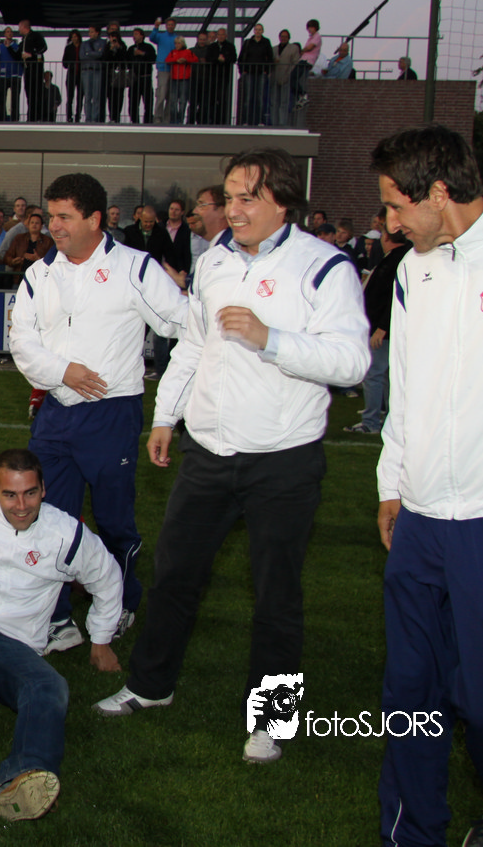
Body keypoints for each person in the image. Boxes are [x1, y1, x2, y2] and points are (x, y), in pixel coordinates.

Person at [94, 148, 368, 767]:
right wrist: (166, 416)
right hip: (209, 453)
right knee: (175, 576)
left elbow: (353, 363)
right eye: (230, 196)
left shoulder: (325, 267)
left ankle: (273, 720)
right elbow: (193, 345)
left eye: (249, 198)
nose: (234, 209)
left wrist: (272, 340)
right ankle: (151, 685)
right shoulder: (214, 258)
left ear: (283, 201)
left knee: (276, 595)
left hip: (284, 459)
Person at [371, 126, 483, 847]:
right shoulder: (413, 270)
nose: (389, 224)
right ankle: (411, 831)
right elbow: (406, 385)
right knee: (409, 692)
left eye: (395, 206)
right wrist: (392, 483)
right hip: (420, 517)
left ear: (439, 193)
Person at [11, 172, 187, 648]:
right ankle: (58, 617)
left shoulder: (135, 267)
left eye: (64, 217)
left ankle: (121, 602)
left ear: (94, 219)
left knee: (113, 522)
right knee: (49, 516)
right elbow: (21, 341)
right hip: (55, 411)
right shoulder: (39, 273)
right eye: (51, 216)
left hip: (112, 414)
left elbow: (181, 323)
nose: (54, 226)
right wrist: (62, 371)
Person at [0, 448, 122, 820]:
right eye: (10, 494)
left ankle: (26, 777)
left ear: (43, 489)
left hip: (9, 647)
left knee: (50, 687)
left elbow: (108, 577)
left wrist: (101, 639)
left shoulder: (65, 534)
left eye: (30, 493)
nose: (21, 505)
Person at [343, 225, 409, 435]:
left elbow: (393, 298)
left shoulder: (398, 260)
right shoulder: (395, 258)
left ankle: (372, 421)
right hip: (383, 327)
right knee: (387, 375)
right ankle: (389, 418)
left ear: (387, 237)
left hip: (384, 329)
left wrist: (382, 327)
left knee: (374, 374)